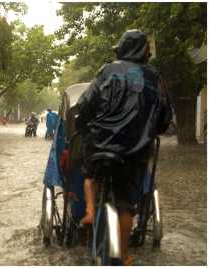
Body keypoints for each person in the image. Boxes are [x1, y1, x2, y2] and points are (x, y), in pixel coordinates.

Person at [74, 30, 172, 265]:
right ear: (145, 52)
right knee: (125, 204)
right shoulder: (154, 77)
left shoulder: (107, 70)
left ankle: (89, 210)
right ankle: (125, 254)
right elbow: (164, 119)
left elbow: (84, 105)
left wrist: (84, 126)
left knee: (90, 173)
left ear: (121, 49)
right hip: (135, 151)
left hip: (99, 145)